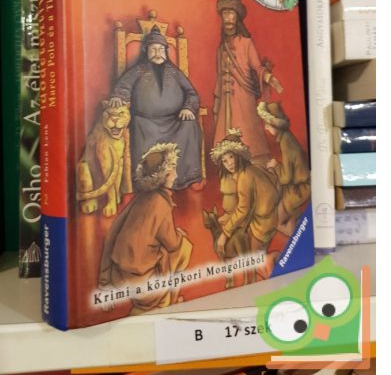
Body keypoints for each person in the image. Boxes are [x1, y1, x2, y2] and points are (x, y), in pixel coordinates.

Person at [97, 143, 193, 314]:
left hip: (117, 277)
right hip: (143, 283)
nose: (176, 174)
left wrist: (104, 283)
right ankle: (165, 301)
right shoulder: (161, 203)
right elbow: (172, 244)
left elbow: (112, 235)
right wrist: (178, 235)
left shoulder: (140, 198)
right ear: (164, 175)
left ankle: (165, 299)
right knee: (185, 247)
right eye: (173, 169)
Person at [109, 25, 203, 189]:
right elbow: (123, 87)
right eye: (153, 49)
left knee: (189, 125)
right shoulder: (137, 71)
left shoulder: (174, 72)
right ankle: (148, 182)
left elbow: (191, 93)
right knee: (138, 125)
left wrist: (188, 108)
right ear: (146, 51)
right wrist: (118, 96)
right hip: (146, 122)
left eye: (161, 49)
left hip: (175, 120)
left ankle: (185, 178)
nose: (158, 53)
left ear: (166, 51)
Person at [213, 0, 283, 165]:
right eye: (225, 13)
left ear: (237, 17)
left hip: (244, 97)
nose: (228, 18)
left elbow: (257, 67)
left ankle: (254, 163)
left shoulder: (246, 43)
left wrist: (268, 78)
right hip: (225, 101)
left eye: (231, 13)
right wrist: (217, 101)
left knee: (248, 135)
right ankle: (230, 163)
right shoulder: (221, 48)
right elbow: (219, 77)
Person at [210, 129, 280, 279]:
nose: (229, 163)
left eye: (231, 157)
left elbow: (243, 209)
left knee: (256, 264)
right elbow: (273, 179)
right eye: (224, 161)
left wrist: (224, 234)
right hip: (266, 218)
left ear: (239, 155)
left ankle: (278, 259)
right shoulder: (251, 168)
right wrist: (272, 169)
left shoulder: (244, 176)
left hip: (263, 223)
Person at [257, 101, 311, 237]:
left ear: (276, 125)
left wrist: (275, 166)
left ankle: (299, 240)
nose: (266, 127)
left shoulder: (286, 142)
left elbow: (286, 177)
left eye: (268, 124)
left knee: (277, 222)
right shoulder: (286, 138)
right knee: (288, 219)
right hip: (297, 185)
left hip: (300, 188)